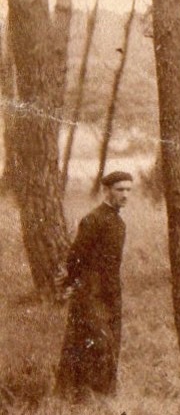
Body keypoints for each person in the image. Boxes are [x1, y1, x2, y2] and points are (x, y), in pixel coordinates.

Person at [56, 170, 133, 402]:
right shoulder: (93, 219)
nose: (125, 195)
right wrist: (73, 285)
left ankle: (103, 396)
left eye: (129, 190)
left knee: (111, 340)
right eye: (120, 190)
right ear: (106, 190)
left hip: (111, 290)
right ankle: (77, 394)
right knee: (96, 341)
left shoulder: (118, 222)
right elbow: (76, 257)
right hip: (91, 291)